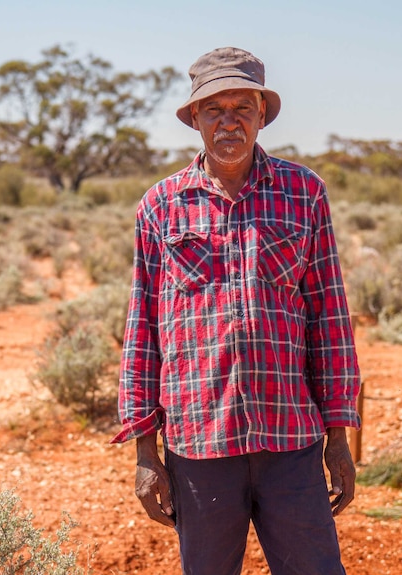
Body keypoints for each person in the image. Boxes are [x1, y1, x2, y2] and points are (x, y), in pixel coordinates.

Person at [111, 47, 361, 575]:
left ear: (261, 115)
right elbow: (143, 332)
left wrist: (339, 437)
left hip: (290, 440)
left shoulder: (304, 193)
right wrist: (144, 454)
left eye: (242, 108)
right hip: (199, 443)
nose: (229, 123)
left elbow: (330, 320)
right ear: (196, 120)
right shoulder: (160, 205)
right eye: (214, 111)